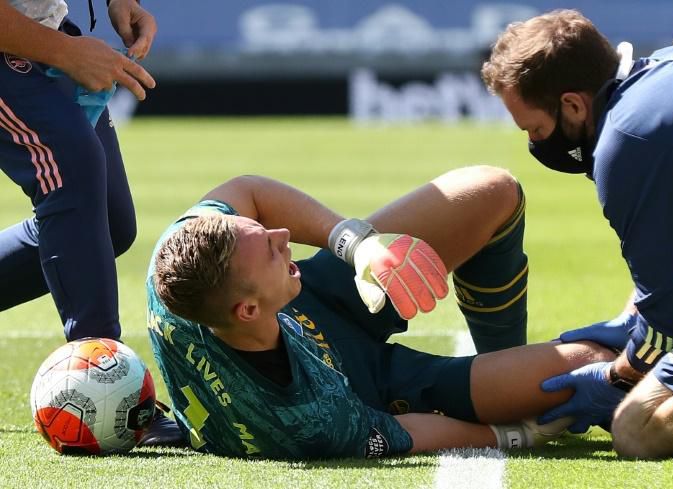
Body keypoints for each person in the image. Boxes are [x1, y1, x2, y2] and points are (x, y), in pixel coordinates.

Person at [146, 165, 615, 459]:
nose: (283, 233)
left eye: (262, 230)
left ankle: (505, 354)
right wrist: (512, 434)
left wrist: (356, 245)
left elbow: (248, 190)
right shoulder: (306, 422)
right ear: (247, 308)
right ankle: (512, 382)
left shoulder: (178, 254)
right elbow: (406, 433)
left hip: (315, 299)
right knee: (591, 366)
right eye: (270, 248)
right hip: (367, 386)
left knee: (491, 189)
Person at [481, 9, 673, 458]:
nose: (537, 143)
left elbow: (668, 317)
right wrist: (643, 326)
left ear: (573, 105)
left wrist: (619, 374)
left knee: (638, 428)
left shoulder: (625, 143)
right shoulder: (672, 63)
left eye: (536, 129)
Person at [0, 0, 178, 445]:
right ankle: (111, 387)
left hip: (44, 34)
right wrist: (64, 50)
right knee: (72, 171)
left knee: (109, 224)